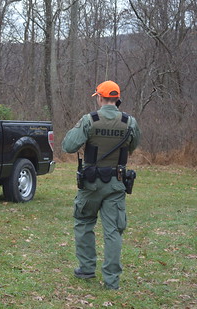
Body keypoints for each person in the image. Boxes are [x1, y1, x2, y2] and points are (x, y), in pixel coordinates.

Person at [62, 80, 141, 290]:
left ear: (99, 97)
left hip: (91, 183)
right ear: (117, 98)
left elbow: (68, 145)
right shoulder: (129, 121)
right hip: (116, 182)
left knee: (84, 221)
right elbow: (133, 145)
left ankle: (87, 268)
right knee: (113, 230)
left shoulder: (90, 120)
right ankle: (111, 281)